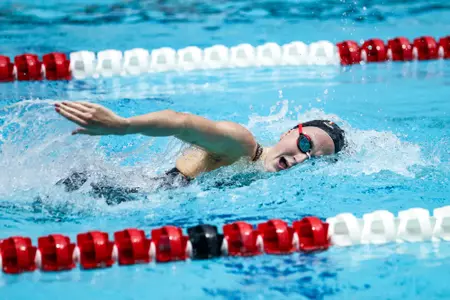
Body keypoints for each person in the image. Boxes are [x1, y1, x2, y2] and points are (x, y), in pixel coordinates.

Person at [54, 101, 346, 204]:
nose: (302, 158)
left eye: (314, 159)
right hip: (101, 192)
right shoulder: (242, 146)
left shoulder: (256, 175)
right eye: (305, 145)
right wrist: (124, 126)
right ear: (288, 133)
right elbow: (182, 122)